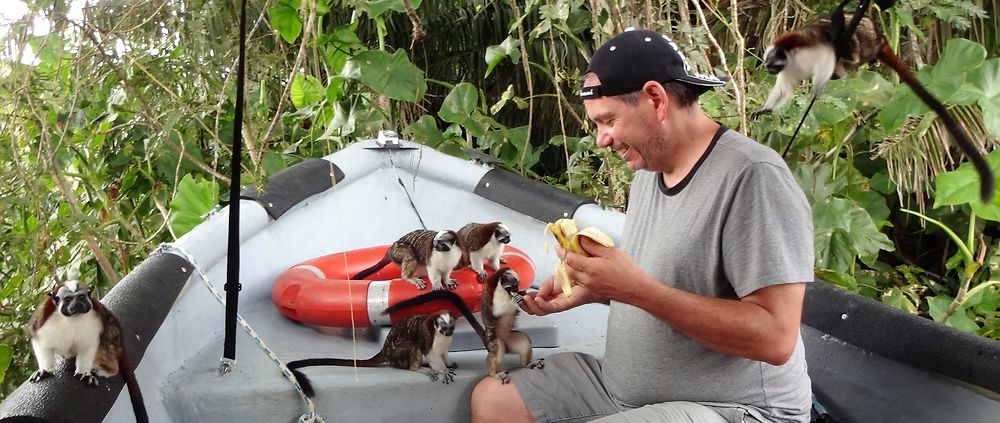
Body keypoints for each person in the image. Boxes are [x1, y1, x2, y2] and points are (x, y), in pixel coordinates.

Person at [470, 28, 815, 423]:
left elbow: (775, 337)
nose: (602, 139)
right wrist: (595, 290)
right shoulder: (648, 170)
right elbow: (666, 285)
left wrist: (634, 290)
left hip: (733, 407)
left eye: (609, 120)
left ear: (655, 99)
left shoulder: (753, 177)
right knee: (495, 400)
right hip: (619, 389)